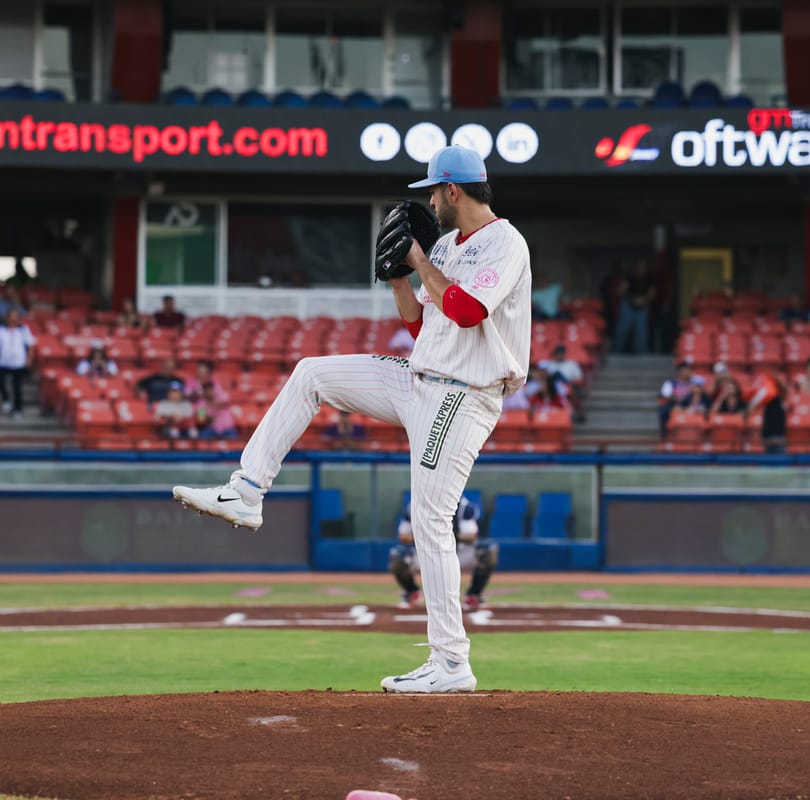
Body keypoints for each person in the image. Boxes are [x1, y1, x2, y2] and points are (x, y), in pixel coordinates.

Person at [172, 144, 531, 694]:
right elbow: (424, 329)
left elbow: (465, 312)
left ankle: (451, 664)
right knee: (312, 373)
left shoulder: (505, 243)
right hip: (420, 377)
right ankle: (246, 491)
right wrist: (397, 280)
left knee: (431, 520)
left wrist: (417, 260)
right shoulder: (448, 247)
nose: (430, 201)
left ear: (453, 189)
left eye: (433, 191)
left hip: (463, 395)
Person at [389, 493, 497, 612]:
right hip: (426, 552)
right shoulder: (415, 506)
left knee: (489, 550)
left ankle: (474, 594)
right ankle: (412, 592)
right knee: (397, 556)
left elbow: (471, 536)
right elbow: (404, 536)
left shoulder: (463, 507)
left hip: (459, 553)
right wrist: (428, 537)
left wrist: (446, 535)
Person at [0, 309, 36, 417]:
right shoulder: (1, 329)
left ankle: (18, 409)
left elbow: (30, 346)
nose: (13, 319)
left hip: (18, 362)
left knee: (17, 387)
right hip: (4, 362)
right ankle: (6, 400)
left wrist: (29, 360)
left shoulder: (23, 329)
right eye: (11, 317)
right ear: (7, 318)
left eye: (15, 317)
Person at [613, 259, 655, 354]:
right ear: (636, 268)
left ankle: (641, 356)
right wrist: (632, 298)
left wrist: (643, 300)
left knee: (641, 333)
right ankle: (615, 353)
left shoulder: (649, 278)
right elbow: (620, 291)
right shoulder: (630, 277)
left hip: (642, 307)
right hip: (628, 305)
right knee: (622, 331)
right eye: (639, 267)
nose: (641, 269)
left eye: (643, 267)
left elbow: (652, 294)